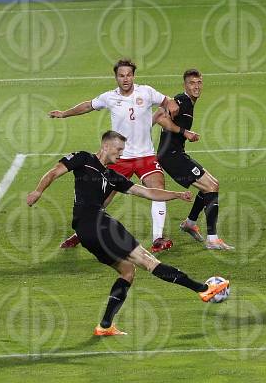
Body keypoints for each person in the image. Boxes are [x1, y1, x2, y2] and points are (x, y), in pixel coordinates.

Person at [26, 131, 229, 336]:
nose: (121, 154)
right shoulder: (83, 159)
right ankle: (203, 289)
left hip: (86, 232)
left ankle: (105, 326)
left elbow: (147, 192)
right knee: (148, 261)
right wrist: (38, 191)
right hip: (97, 224)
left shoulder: (113, 176)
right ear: (105, 146)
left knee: (127, 271)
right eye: (119, 150)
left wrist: (176, 195)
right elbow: (53, 172)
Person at [48, 59, 196, 253]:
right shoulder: (109, 97)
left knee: (158, 188)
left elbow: (166, 100)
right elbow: (87, 106)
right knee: (101, 198)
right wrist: (64, 114)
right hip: (119, 157)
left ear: (133, 76)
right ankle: (80, 234)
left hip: (146, 156)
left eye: (128, 75)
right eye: (121, 75)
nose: (125, 79)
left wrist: (171, 103)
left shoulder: (146, 92)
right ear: (116, 77)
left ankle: (158, 238)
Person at [153, 69, 234, 250]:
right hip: (171, 157)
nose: (196, 86)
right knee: (211, 187)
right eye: (192, 83)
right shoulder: (182, 100)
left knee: (212, 184)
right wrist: (185, 132)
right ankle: (212, 239)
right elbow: (160, 117)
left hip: (176, 154)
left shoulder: (189, 102)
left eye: (199, 83)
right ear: (185, 85)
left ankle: (190, 223)